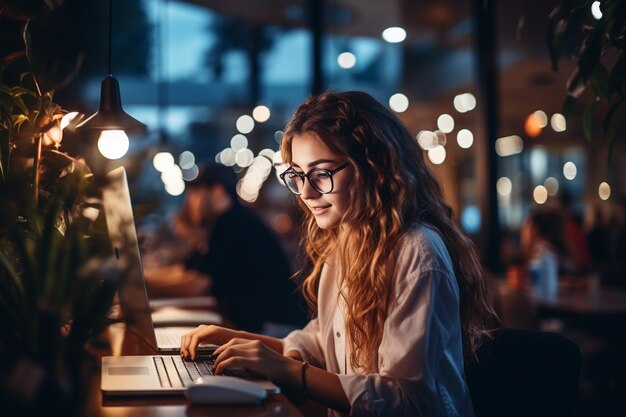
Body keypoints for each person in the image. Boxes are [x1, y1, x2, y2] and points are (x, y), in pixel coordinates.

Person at [181, 91, 497, 416]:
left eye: (321, 174)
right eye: (299, 176)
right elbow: (322, 343)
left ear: (373, 167)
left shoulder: (417, 252)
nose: (305, 193)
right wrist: (242, 342)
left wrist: (283, 368)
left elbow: (405, 399)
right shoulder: (347, 242)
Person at [146, 164, 307, 334]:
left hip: (278, 328)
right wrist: (146, 280)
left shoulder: (231, 222)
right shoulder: (232, 218)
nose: (190, 201)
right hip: (266, 323)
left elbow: (197, 284)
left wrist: (146, 288)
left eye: (196, 192)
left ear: (217, 191)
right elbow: (189, 272)